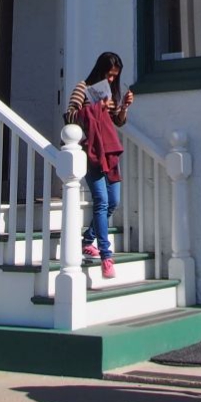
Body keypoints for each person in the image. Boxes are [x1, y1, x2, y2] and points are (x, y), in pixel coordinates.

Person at [64, 52, 134, 279]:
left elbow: (116, 121)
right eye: (109, 75)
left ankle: (87, 240)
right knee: (102, 201)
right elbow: (70, 116)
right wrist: (95, 108)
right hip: (91, 151)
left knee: (113, 201)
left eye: (115, 76)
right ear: (100, 70)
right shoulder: (83, 88)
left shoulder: (110, 91)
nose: (112, 80)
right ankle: (106, 256)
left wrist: (123, 106)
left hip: (109, 150)